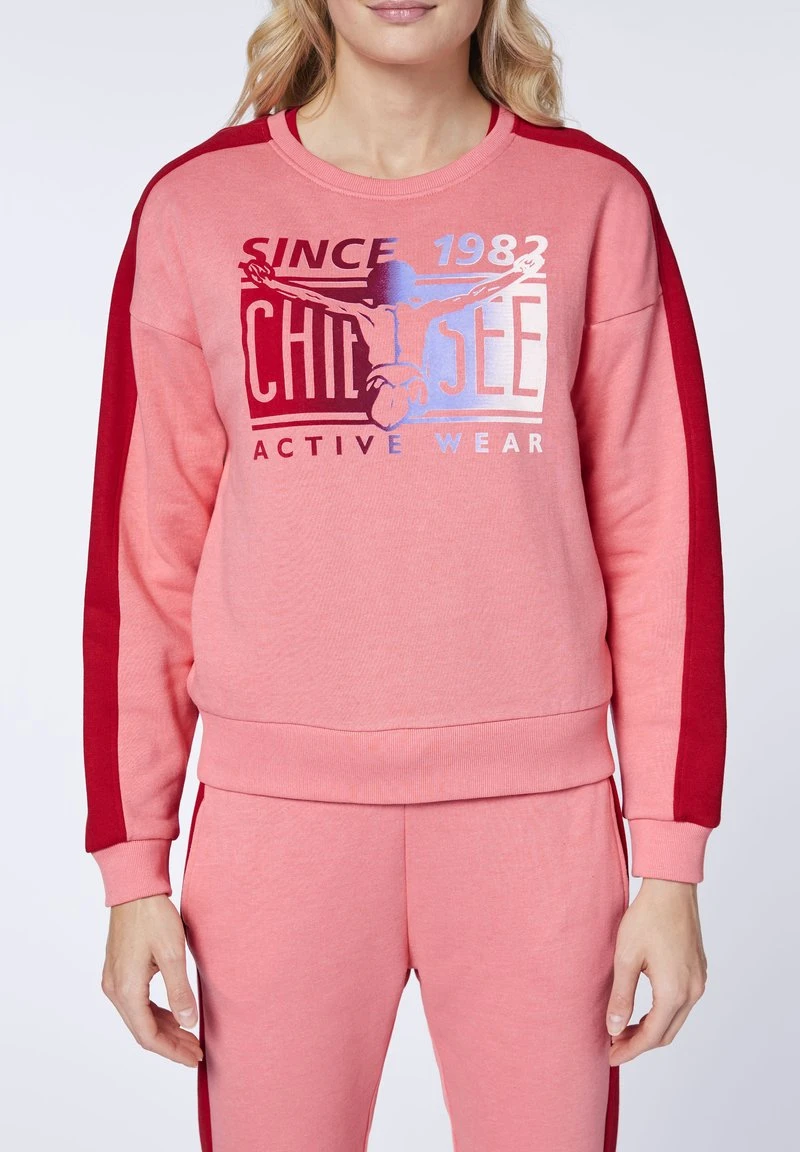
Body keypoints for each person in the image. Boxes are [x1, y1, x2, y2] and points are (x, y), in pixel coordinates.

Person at [82, 2, 726, 1149]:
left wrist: (669, 865)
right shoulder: (195, 209)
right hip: (276, 828)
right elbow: (143, 562)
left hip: (537, 823)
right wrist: (134, 871)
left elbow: (658, 539)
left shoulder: (591, 201)